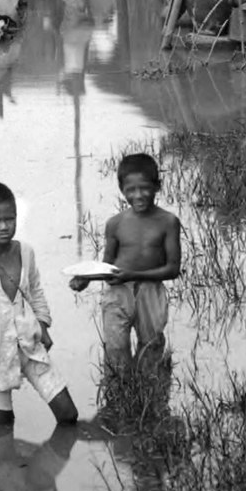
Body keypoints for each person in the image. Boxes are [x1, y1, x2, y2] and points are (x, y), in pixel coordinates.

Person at [0, 181, 79, 427]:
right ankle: (7, 464)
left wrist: (43, 324)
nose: (4, 227)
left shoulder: (26, 252)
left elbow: (35, 291)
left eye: (10, 219)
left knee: (68, 414)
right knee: (2, 423)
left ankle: (38, 461)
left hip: (30, 345)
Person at [70, 154, 181, 386]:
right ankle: (120, 394)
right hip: (118, 293)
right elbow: (107, 265)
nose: (138, 195)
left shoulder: (167, 222)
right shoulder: (115, 224)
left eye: (144, 188)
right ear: (121, 189)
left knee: (150, 347)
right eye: (131, 189)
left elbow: (172, 269)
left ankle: (147, 395)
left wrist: (134, 275)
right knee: (116, 347)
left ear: (157, 186)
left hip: (151, 292)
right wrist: (86, 278)